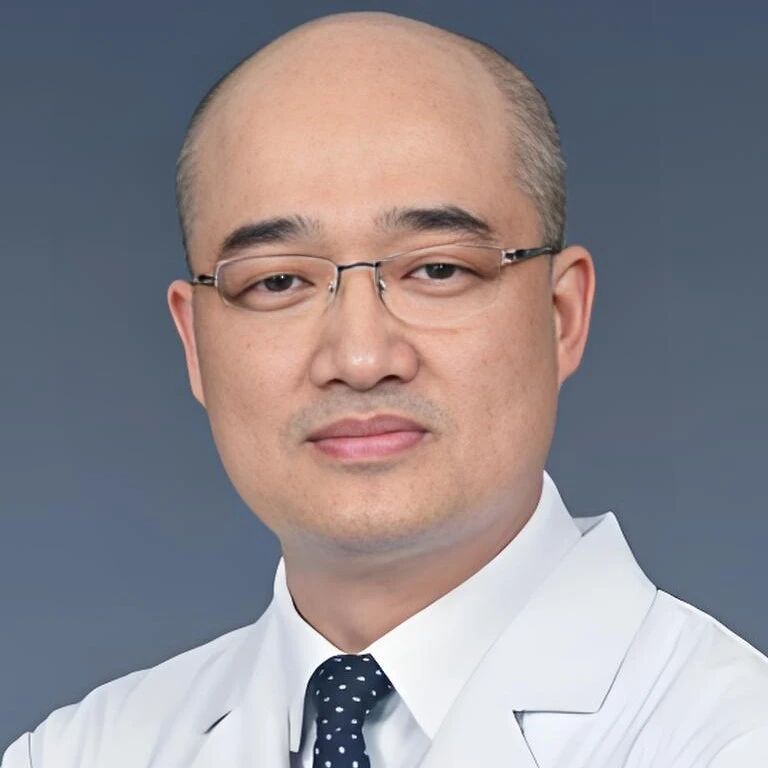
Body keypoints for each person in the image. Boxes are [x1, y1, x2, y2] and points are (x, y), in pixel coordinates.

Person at [3, 11, 767, 768]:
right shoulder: (77, 752)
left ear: (561, 315)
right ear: (196, 345)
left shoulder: (730, 736)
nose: (361, 357)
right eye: (278, 281)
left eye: (437, 269)